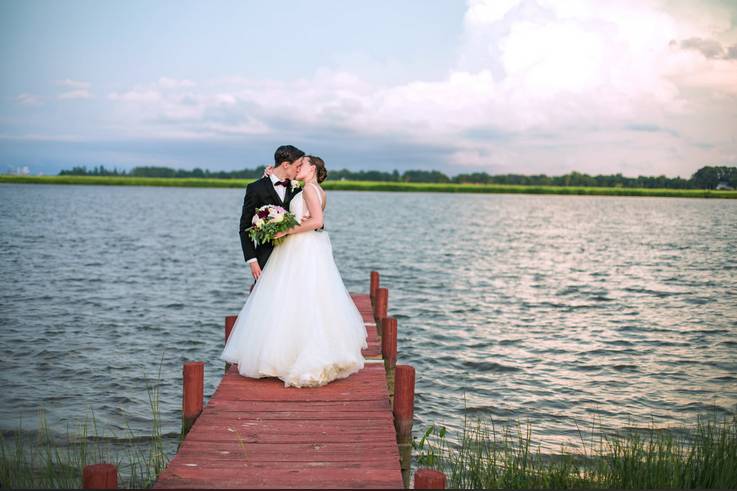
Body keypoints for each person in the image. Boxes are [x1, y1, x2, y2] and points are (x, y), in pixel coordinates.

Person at [221, 155, 368, 387]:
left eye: (303, 164)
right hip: (312, 247)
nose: (299, 167)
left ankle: (289, 356)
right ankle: (304, 351)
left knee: (291, 298)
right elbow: (313, 219)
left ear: (312, 169)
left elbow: (317, 221)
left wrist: (286, 230)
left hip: (301, 248)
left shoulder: (308, 190)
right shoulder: (318, 191)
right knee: (310, 298)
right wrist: (268, 176)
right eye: (297, 164)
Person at [239, 145, 304, 284]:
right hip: (265, 256)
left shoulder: (298, 188)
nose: (299, 169)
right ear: (286, 164)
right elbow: (245, 227)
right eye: (298, 165)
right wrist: (252, 261)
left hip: (294, 254)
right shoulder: (256, 188)